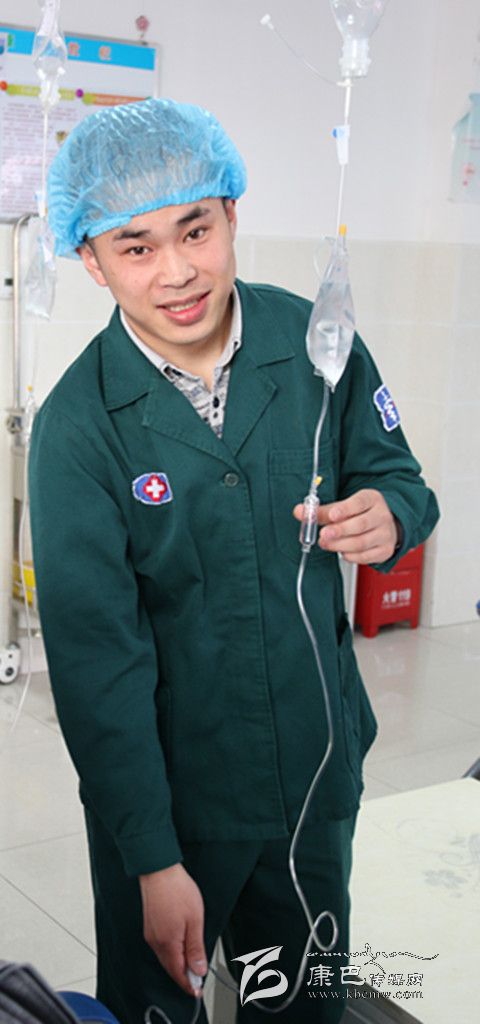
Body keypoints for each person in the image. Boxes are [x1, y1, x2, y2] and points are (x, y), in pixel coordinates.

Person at [29, 98, 439, 1024]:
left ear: (231, 215)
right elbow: (96, 666)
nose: (177, 271)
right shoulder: (78, 428)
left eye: (195, 230)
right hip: (173, 804)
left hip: (313, 771)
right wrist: (151, 858)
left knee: (299, 1007)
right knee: (158, 1007)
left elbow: (401, 479)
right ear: (92, 261)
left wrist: (391, 516)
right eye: (135, 246)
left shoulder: (318, 344)